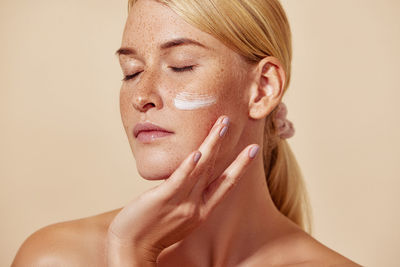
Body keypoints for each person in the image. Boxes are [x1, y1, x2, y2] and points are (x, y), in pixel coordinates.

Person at [12, 0, 361, 266]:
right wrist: (129, 251)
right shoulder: (57, 257)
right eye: (131, 71)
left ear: (263, 89)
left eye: (181, 66)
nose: (141, 96)